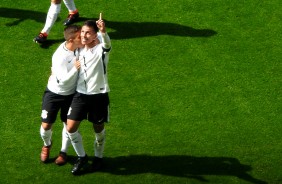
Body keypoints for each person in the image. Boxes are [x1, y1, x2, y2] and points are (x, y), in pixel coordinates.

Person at [66, 17, 111, 175]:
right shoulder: (79, 48)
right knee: (70, 127)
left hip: (98, 95)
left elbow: (106, 44)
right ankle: (82, 157)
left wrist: (103, 31)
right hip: (80, 95)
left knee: (98, 128)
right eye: (83, 32)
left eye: (88, 33)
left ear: (95, 35)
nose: (84, 36)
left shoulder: (101, 50)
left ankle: (98, 157)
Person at [40, 25, 83, 165]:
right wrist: (75, 69)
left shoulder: (79, 47)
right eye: (79, 37)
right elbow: (63, 80)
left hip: (71, 95)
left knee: (68, 123)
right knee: (46, 125)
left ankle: (63, 152)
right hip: (54, 93)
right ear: (71, 40)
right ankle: (47, 144)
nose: (83, 38)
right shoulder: (60, 56)